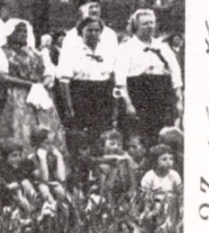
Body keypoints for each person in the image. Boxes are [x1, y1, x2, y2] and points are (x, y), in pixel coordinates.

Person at [0, 20, 66, 155]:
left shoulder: (35, 53)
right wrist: (29, 85)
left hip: (38, 96)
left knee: (44, 130)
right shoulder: (0, 52)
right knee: (18, 130)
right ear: (9, 33)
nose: (23, 34)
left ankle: (47, 162)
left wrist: (43, 84)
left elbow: (48, 72)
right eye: (18, 31)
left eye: (25, 31)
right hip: (14, 96)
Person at [114, 9, 183, 146]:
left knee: (163, 134)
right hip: (138, 92)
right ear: (136, 26)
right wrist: (128, 103)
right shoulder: (126, 48)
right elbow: (120, 79)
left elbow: (175, 73)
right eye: (145, 24)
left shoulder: (163, 47)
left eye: (152, 23)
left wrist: (179, 99)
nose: (150, 26)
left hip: (161, 92)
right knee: (140, 135)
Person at [56, 16, 116, 152]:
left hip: (102, 94)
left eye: (97, 30)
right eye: (89, 30)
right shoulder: (72, 50)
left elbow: (112, 77)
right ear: (80, 32)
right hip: (80, 94)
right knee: (80, 138)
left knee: (100, 135)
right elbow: (64, 80)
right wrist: (69, 107)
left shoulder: (106, 50)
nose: (93, 34)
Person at [29, 126, 66, 205]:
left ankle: (58, 208)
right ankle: (53, 208)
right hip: (39, 187)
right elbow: (44, 179)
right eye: (46, 143)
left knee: (60, 190)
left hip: (53, 184)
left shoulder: (52, 157)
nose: (50, 147)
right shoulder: (32, 158)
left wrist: (59, 157)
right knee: (44, 189)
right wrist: (42, 159)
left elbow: (61, 177)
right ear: (38, 143)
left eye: (52, 143)